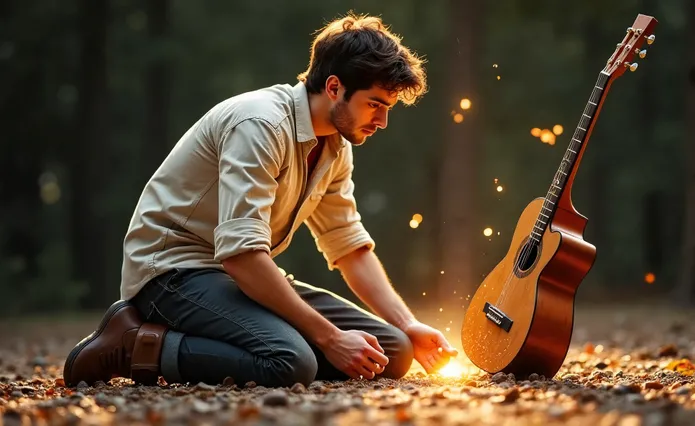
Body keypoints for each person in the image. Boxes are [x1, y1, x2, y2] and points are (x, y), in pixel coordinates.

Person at [63, 13, 458, 388]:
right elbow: (240, 255)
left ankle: (233, 342)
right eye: (375, 104)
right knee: (290, 361)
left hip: (234, 273)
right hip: (173, 272)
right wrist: (331, 338)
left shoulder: (336, 146)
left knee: (391, 351)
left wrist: (407, 324)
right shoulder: (260, 124)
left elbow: (348, 244)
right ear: (335, 87)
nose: (382, 121)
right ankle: (136, 343)